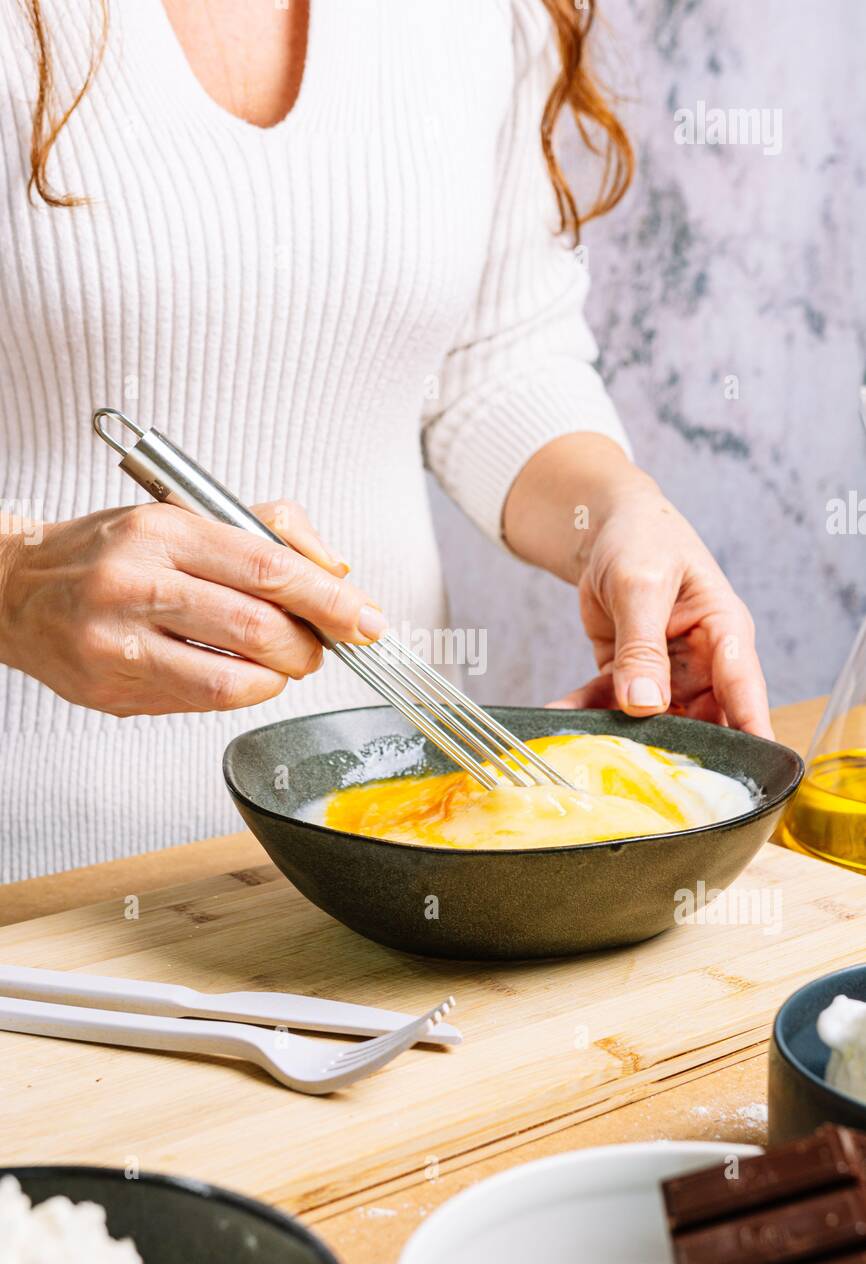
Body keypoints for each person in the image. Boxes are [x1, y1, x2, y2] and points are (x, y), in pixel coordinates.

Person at [0, 0, 771, 880]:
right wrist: (12, 580)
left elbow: (495, 356)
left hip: (404, 855)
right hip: (37, 890)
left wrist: (624, 516)